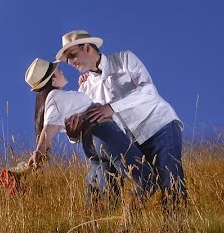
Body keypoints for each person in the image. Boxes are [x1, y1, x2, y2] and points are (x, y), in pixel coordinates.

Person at [54, 30, 187, 206]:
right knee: (146, 183)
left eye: (72, 55)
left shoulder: (125, 59)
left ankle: (177, 231)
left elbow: (148, 90)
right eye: (67, 60)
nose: (70, 62)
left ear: (87, 47)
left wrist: (111, 107)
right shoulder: (84, 89)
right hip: (130, 142)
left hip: (159, 125)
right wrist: (73, 135)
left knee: (171, 183)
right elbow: (91, 128)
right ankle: (134, 228)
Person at [24, 58, 153, 201]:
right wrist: (39, 151)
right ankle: (129, 212)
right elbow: (49, 127)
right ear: (53, 81)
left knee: (106, 196)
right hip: (104, 134)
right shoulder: (55, 97)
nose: (61, 71)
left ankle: (97, 218)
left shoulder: (60, 99)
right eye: (57, 71)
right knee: (146, 177)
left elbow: (74, 117)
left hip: (92, 145)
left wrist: (85, 86)